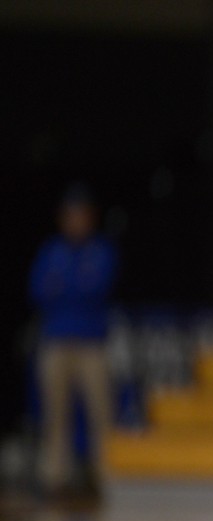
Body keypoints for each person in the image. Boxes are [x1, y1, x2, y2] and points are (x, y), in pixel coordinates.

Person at [29, 183, 118, 504]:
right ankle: (55, 480)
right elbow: (38, 290)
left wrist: (64, 286)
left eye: (80, 215)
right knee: (54, 414)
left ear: (90, 218)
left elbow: (95, 288)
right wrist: (72, 286)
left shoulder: (101, 251)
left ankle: (107, 478)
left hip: (91, 343)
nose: (75, 221)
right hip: (56, 341)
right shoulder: (51, 251)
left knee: (101, 413)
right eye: (70, 215)